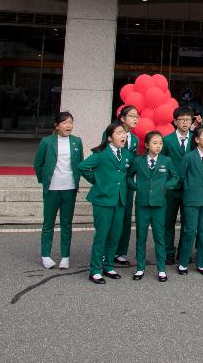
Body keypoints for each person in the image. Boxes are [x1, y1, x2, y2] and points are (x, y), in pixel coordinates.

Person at [79, 121, 129, 284]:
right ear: (109, 138)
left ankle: (108, 266)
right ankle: (94, 270)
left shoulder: (126, 154)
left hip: (120, 200)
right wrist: (98, 181)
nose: (123, 135)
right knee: (102, 235)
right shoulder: (101, 154)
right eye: (119, 133)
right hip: (103, 200)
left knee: (115, 235)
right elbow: (83, 167)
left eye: (124, 133)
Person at [34, 111, 82, 269]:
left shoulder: (77, 142)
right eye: (65, 122)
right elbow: (38, 164)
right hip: (52, 188)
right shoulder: (47, 142)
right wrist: (44, 180)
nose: (69, 125)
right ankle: (46, 256)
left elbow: (80, 163)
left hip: (69, 187)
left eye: (71, 122)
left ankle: (65, 257)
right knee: (48, 223)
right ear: (57, 125)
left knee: (66, 223)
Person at [128, 130, 176, 281]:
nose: (158, 146)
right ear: (147, 145)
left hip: (159, 204)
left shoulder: (166, 160)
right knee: (140, 237)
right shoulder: (138, 161)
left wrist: (166, 186)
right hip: (142, 204)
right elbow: (129, 176)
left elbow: (176, 177)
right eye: (155, 143)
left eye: (160, 143)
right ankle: (140, 268)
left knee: (159, 237)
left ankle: (161, 269)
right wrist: (136, 187)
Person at [176, 124, 203, 275]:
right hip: (191, 199)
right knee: (189, 231)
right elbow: (180, 176)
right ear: (197, 139)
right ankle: (183, 263)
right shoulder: (189, 156)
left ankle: (202, 263)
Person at [160, 109, 194, 266]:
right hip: (172, 188)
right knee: (169, 222)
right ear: (175, 121)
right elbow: (163, 161)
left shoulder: (196, 139)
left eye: (188, 119)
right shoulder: (167, 140)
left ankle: (184, 252)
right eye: (182, 119)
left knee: (188, 223)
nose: (185, 122)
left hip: (190, 188)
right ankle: (168, 252)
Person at [111, 106, 141, 267]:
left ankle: (121, 252)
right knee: (112, 218)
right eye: (132, 116)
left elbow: (134, 162)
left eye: (137, 116)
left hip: (127, 184)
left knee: (125, 218)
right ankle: (106, 251)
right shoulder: (112, 132)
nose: (136, 119)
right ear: (122, 118)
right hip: (113, 183)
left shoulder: (135, 139)